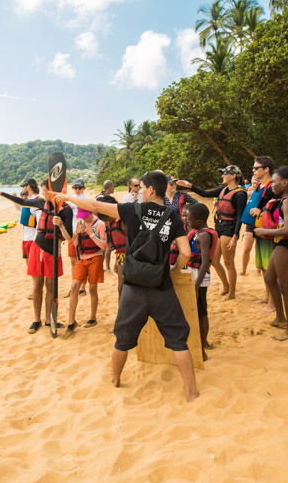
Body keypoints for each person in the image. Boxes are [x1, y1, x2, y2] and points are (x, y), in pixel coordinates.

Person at [51, 170, 199, 402]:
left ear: (151, 189)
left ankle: (116, 380)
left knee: (123, 339)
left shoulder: (133, 210)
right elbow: (186, 252)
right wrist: (174, 270)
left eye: (141, 187)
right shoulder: (173, 216)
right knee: (178, 340)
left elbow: (95, 206)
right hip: (160, 285)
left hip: (133, 286)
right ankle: (192, 392)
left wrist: (68, 198)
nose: (139, 190)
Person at [0, 183, 73, 333]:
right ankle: (36, 319)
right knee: (36, 285)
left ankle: (49, 319)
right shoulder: (41, 203)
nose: (42, 193)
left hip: (53, 251)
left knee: (50, 286)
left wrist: (61, 225)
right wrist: (1, 193)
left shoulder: (66, 210)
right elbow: (22, 202)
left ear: (52, 191)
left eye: (45, 190)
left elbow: (68, 237)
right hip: (37, 248)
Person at [177, 165, 248, 301]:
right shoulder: (223, 189)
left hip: (229, 228)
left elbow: (239, 216)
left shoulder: (240, 194)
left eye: (225, 173)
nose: (222, 175)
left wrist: (235, 236)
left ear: (234, 176)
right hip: (219, 226)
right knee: (214, 261)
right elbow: (205, 194)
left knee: (228, 262)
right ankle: (226, 286)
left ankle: (232, 293)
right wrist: (190, 186)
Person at [249, 165, 288, 341]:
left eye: (275, 181)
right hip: (280, 245)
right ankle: (280, 318)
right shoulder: (280, 199)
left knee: (286, 287)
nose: (272, 185)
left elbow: (287, 228)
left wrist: (265, 232)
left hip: (287, 245)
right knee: (269, 279)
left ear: (285, 182)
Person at [65, 208, 108, 337]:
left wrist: (92, 234)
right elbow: (75, 244)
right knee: (74, 287)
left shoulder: (100, 224)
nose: (83, 219)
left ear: (91, 213)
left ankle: (92, 317)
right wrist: (77, 234)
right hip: (82, 259)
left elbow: (103, 246)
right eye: (81, 216)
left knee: (92, 289)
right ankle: (71, 321)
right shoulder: (79, 223)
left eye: (85, 216)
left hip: (95, 258)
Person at [185, 202, 217, 360]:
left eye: (189, 219)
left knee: (200, 310)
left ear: (198, 221)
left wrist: (196, 285)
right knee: (200, 309)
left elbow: (205, 262)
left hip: (199, 275)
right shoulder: (200, 231)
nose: (187, 221)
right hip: (197, 273)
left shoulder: (203, 235)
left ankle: (202, 346)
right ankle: (203, 343)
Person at [240, 157, 276, 284]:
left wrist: (261, 212)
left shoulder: (272, 187)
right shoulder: (258, 186)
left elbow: (279, 210)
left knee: (269, 266)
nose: (253, 171)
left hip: (267, 232)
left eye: (256, 168)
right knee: (262, 265)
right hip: (257, 229)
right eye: (253, 168)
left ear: (266, 169)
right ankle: (268, 297)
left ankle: (272, 300)